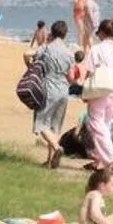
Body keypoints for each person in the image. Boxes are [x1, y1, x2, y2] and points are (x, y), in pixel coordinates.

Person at [26, 21, 75, 168]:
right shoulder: (69, 52)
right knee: (54, 126)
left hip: (49, 86)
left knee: (40, 123)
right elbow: (71, 77)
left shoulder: (46, 48)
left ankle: (57, 147)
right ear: (65, 34)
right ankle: (50, 161)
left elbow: (26, 53)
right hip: (64, 90)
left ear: (52, 32)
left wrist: (29, 68)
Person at [82, 19, 113, 170]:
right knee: (104, 125)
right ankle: (100, 160)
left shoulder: (96, 49)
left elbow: (90, 71)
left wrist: (85, 91)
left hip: (99, 89)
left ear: (101, 32)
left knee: (95, 123)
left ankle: (111, 159)